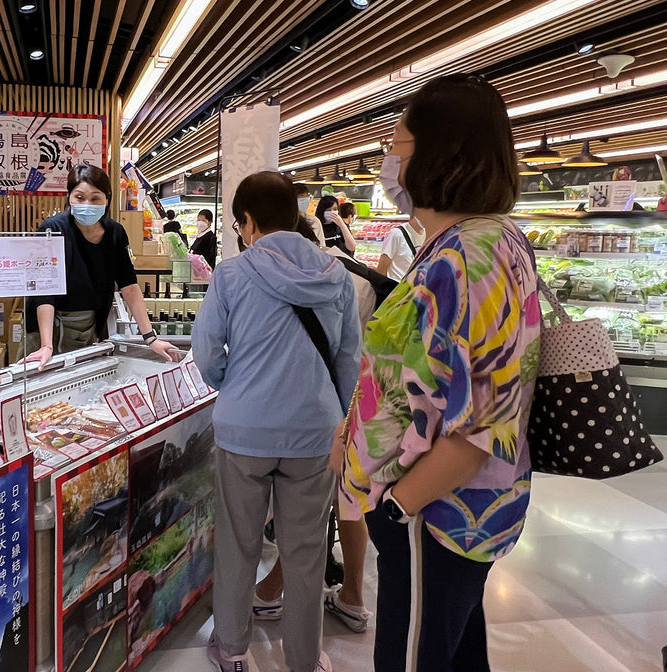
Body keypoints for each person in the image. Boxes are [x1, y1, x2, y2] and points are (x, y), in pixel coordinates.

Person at [340, 73, 540, 672]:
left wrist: (398, 508)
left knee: (412, 658)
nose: (387, 161)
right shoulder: (470, 241)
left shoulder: (468, 258)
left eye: (395, 145)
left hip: (435, 516)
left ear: (438, 151)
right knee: (454, 651)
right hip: (441, 511)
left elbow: (480, 424)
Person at [193, 171, 361, 672]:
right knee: (305, 551)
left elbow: (205, 357)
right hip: (315, 434)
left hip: (243, 433)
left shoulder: (230, 275)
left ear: (247, 222)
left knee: (239, 543)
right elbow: (350, 361)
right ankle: (305, 660)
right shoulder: (338, 276)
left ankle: (233, 649)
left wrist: (238, 386)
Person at [19, 164, 177, 369]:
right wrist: (46, 345)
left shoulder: (115, 233)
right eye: (79, 197)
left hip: (85, 325)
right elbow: (44, 290)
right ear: (69, 197)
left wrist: (150, 338)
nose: (87, 204)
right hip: (44, 325)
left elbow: (129, 286)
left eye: (95, 198)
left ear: (107, 199)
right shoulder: (52, 229)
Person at [374, 216, 425, 281]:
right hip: (395, 287)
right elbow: (382, 267)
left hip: (413, 287)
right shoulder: (396, 234)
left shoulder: (430, 235)